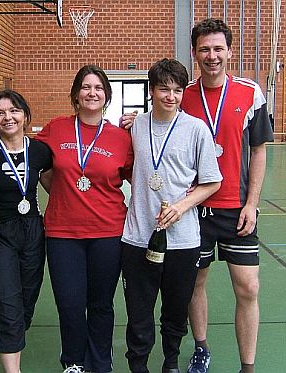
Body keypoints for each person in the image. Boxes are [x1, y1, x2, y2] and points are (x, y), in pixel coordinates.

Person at [182, 19, 274, 373]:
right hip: (195, 209)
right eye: (204, 49)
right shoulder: (184, 95)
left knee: (248, 287)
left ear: (229, 51)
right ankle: (201, 348)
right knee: (196, 283)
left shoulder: (250, 93)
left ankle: (247, 367)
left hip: (237, 209)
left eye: (218, 48)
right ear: (194, 53)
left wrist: (252, 203)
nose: (212, 55)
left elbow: (260, 151)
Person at [120, 58, 222, 373]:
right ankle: (138, 365)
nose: (171, 96)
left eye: (177, 90)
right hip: (138, 237)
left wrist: (182, 206)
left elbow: (212, 181)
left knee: (175, 313)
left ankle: (171, 364)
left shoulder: (196, 129)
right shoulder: (135, 125)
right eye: (164, 89)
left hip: (183, 240)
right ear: (151, 90)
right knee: (138, 313)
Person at [36, 64, 134, 373]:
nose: (92, 93)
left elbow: (140, 180)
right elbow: (34, 164)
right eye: (86, 87)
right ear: (76, 94)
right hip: (63, 233)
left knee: (101, 304)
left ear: (107, 96)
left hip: (108, 232)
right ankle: (74, 363)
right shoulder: (55, 129)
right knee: (70, 304)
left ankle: (100, 363)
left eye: (98, 88)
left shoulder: (122, 138)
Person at [0, 89, 52, 373]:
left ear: (26, 116)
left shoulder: (40, 151)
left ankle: (13, 333)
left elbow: (56, 188)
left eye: (14, 110)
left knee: (26, 299)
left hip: (32, 232)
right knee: (6, 301)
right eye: (0, 113)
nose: (8, 117)